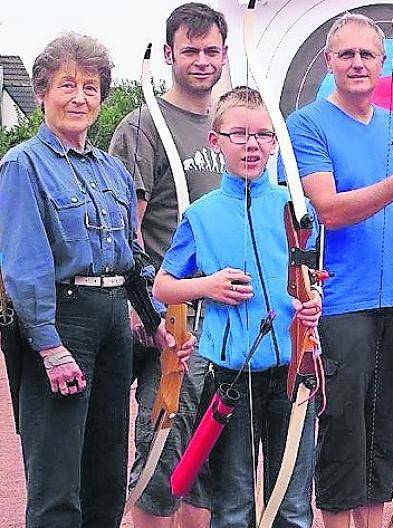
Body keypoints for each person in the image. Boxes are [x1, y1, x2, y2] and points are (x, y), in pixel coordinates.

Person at [0, 33, 194, 528]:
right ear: (41, 91)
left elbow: (131, 255)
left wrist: (153, 322)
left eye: (91, 86)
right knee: (57, 484)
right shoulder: (23, 166)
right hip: (61, 323)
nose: (80, 97)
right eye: (67, 84)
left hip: (114, 326)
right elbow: (24, 267)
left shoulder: (111, 170)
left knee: (107, 479)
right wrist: (48, 346)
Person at [283, 12, 393, 527]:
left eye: (367, 54)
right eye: (346, 54)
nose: (357, 63)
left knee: (384, 431)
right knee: (342, 430)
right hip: (341, 302)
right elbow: (327, 208)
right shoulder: (308, 124)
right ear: (329, 61)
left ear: (381, 64)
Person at [153, 86, 321, 528]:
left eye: (264, 135)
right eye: (239, 134)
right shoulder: (202, 214)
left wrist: (312, 305)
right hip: (232, 375)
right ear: (216, 141)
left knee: (293, 503)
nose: (252, 145)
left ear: (275, 143)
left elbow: (312, 282)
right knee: (233, 506)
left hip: (292, 371)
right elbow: (163, 287)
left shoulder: (295, 208)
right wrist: (207, 285)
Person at [109, 4, 228, 526]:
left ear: (225, 56)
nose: (201, 61)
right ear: (168, 55)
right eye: (190, 51)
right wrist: (144, 307)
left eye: (211, 51)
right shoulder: (142, 126)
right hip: (170, 316)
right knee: (163, 445)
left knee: (205, 458)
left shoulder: (230, 127)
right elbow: (126, 230)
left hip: (223, 312)